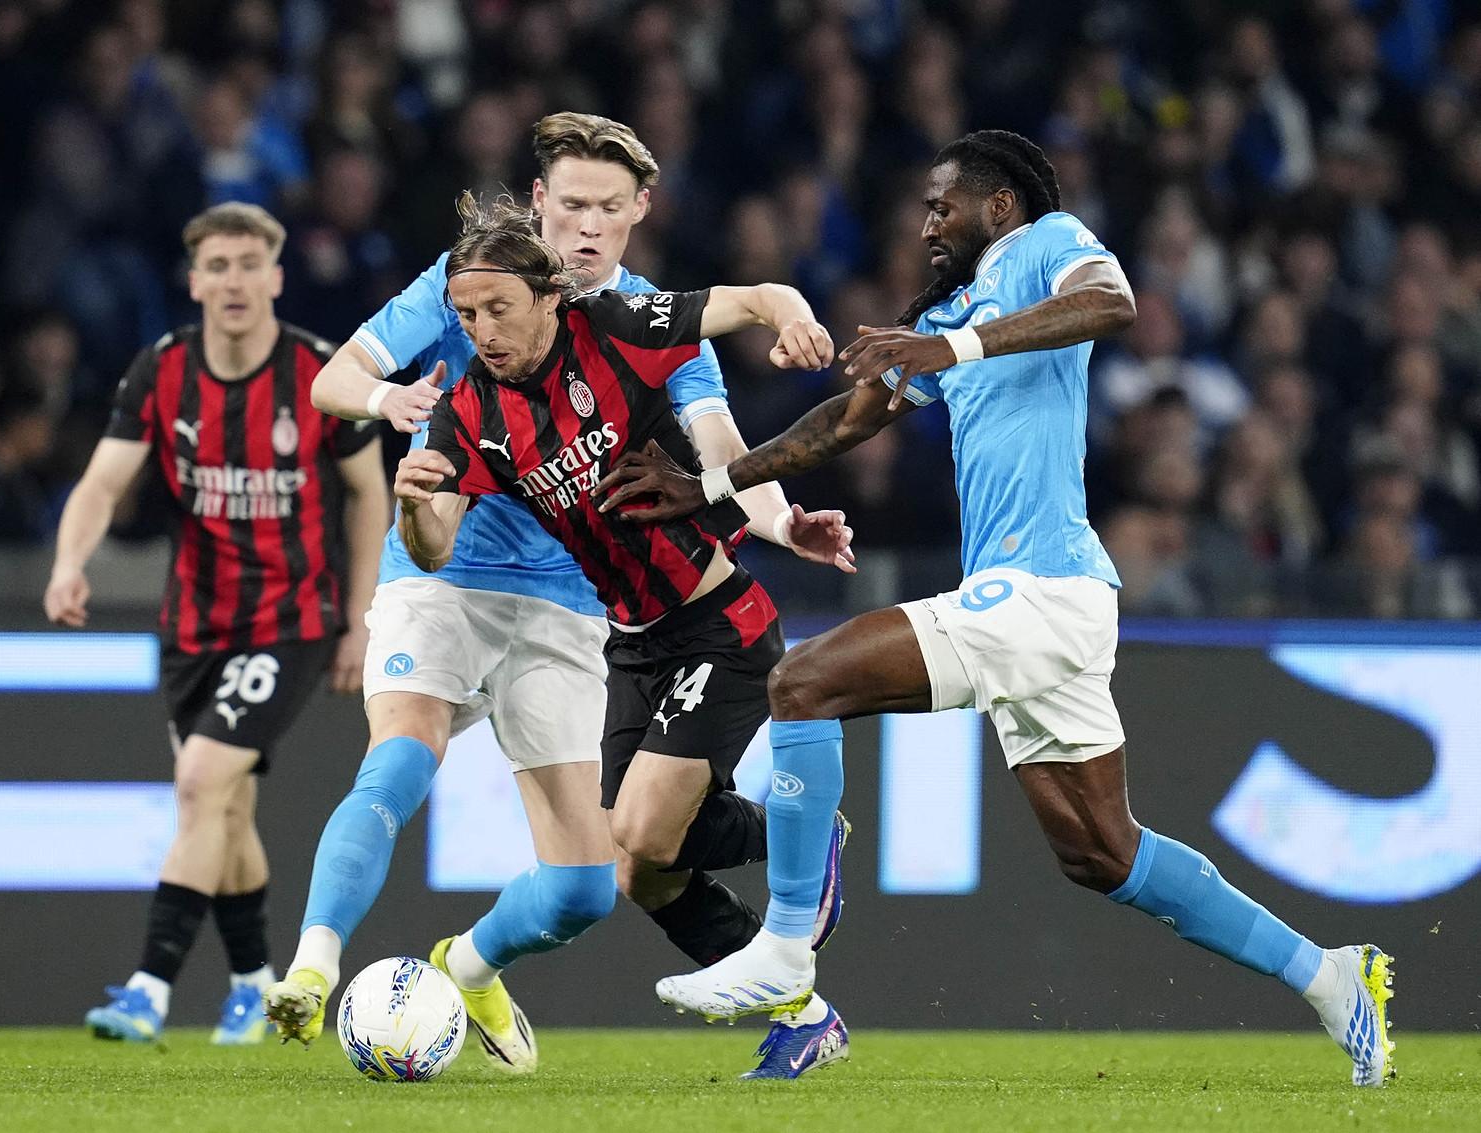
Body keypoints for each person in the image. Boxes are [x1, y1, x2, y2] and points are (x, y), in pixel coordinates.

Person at [595, 130, 1397, 1088]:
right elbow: (845, 420)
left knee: (802, 681)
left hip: (1040, 591)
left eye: (943, 207)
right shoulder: (952, 308)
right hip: (1044, 602)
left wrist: (952, 344)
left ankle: (785, 945)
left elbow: (1113, 301)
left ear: (1000, 205)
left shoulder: (1045, 243)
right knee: (1101, 852)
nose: (927, 226)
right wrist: (714, 486)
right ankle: (1331, 977)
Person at [263, 114, 850, 1081]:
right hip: (447, 586)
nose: (587, 226)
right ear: (538, 203)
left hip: (580, 606)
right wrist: (389, 409)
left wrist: (784, 523)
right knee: (406, 761)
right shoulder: (466, 294)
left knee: (595, 880)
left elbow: (720, 446)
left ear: (640, 211)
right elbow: (342, 383)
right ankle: (312, 967)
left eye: (607, 209)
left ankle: (471, 966)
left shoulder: (639, 322)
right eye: (571, 204)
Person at [44, 202, 387, 1045]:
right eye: (218, 266)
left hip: (292, 620)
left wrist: (361, 619)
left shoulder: (320, 373)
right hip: (194, 627)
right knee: (224, 810)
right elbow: (101, 482)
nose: (234, 281)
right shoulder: (161, 370)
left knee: (200, 782)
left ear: (276, 276)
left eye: (249, 264)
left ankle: (148, 989)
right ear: (195, 281)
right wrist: (68, 562)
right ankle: (253, 982)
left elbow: (368, 495)